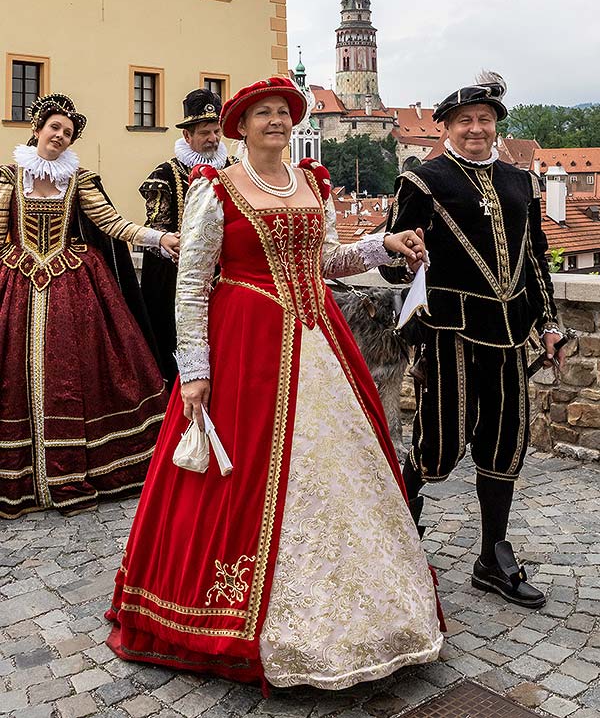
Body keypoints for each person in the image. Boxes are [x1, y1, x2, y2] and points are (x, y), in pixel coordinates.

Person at [106, 76, 443, 691]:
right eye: (263, 114)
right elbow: (191, 283)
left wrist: (383, 246)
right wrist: (197, 371)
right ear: (240, 126)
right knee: (244, 481)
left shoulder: (312, 182)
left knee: (342, 473)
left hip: (317, 340)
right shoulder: (216, 190)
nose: (276, 122)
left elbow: (328, 261)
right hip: (248, 347)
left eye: (284, 114)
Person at [380, 72, 565, 609]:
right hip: (449, 333)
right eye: (465, 121)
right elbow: (395, 262)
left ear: (496, 127)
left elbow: (535, 261)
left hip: (509, 338)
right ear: (445, 127)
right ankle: (401, 526)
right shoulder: (423, 180)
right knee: (439, 442)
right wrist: (403, 255)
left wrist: (548, 324)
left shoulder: (519, 182)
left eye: (485, 120)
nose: (476, 129)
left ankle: (493, 555)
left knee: (505, 445)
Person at [0, 93, 179, 519]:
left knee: (80, 368)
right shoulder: (9, 177)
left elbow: (112, 223)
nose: (59, 136)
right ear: (37, 130)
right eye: (54, 128)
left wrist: (159, 238)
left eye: (67, 132)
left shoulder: (78, 180)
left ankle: (79, 464)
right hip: (16, 279)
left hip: (71, 284)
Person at [139, 88, 228, 389]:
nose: (213, 139)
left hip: (225, 278)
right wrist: (172, 243)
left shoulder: (233, 172)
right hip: (176, 281)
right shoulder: (166, 175)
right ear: (188, 137)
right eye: (205, 132)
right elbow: (156, 228)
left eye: (216, 131)